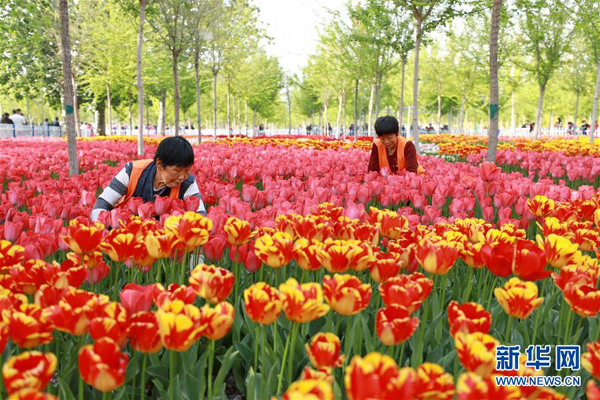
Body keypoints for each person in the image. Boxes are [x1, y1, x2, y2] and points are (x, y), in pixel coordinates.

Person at [91, 136, 206, 222]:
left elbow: (200, 215)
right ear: (159, 164)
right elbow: (103, 202)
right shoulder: (132, 171)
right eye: (177, 170)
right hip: (127, 231)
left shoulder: (188, 183)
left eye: (187, 171)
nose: (182, 177)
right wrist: (101, 228)